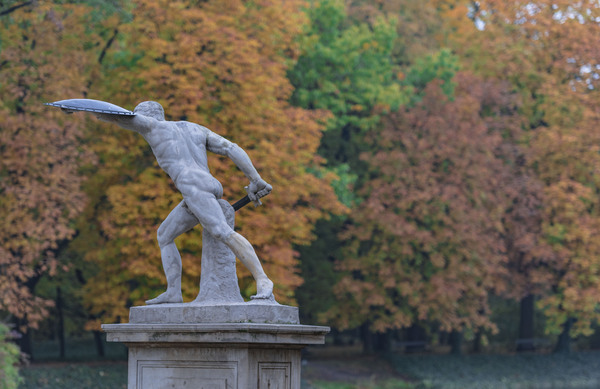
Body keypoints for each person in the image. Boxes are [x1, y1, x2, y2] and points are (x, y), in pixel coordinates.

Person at [96, 101, 273, 304]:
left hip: (193, 186)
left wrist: (91, 112)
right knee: (164, 235)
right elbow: (230, 148)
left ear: (146, 117)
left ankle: (263, 279)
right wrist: (255, 180)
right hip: (206, 184)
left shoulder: (153, 126)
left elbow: (123, 118)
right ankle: (173, 292)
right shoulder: (194, 128)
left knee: (221, 232)